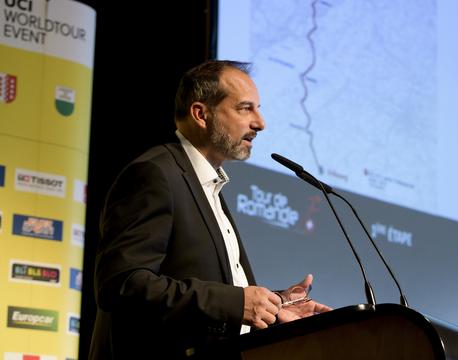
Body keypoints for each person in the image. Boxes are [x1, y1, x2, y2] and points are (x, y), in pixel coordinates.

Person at [89, 60, 331, 359]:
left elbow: (207, 288)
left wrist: (275, 305)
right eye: (245, 108)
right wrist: (234, 304)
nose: (260, 122)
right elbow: (122, 284)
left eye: (258, 108)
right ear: (201, 114)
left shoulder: (206, 184)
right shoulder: (154, 175)